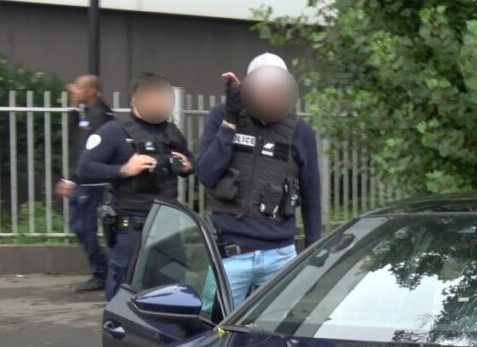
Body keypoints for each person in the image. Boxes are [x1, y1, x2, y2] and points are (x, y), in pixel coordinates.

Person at [196, 53, 321, 308]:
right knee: (214, 333)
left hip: (280, 257)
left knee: (278, 336)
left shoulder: (301, 131)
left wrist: (313, 251)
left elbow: (312, 196)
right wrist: (230, 122)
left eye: (278, 87)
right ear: (248, 87)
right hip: (231, 256)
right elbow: (206, 174)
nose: (271, 92)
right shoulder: (222, 116)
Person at [77, 72, 194, 301]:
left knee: (175, 295)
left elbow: (190, 162)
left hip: (168, 227)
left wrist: (189, 166)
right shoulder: (115, 132)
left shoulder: (171, 133)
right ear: (135, 99)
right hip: (133, 229)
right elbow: (85, 169)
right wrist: (123, 170)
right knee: (124, 298)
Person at [54, 74, 113, 292]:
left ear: (92, 91)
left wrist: (70, 179)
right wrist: (72, 105)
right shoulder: (89, 111)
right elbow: (73, 138)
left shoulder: (99, 115)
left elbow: (84, 150)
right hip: (83, 180)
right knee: (80, 227)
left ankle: (102, 273)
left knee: (84, 228)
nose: (75, 90)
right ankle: (104, 270)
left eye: (80, 88)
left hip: (90, 182)